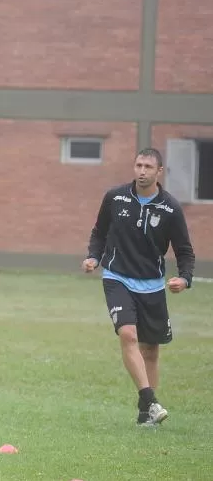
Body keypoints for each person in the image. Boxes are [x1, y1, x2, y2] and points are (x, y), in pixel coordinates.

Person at [83, 147, 195, 427]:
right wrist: (94, 257)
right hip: (116, 276)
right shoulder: (115, 197)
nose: (142, 171)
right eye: (138, 165)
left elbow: (184, 250)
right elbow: (99, 231)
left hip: (152, 285)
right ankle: (149, 400)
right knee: (128, 335)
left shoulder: (171, 208)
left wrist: (184, 278)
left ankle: (147, 414)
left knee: (151, 350)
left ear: (159, 172)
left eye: (148, 167)